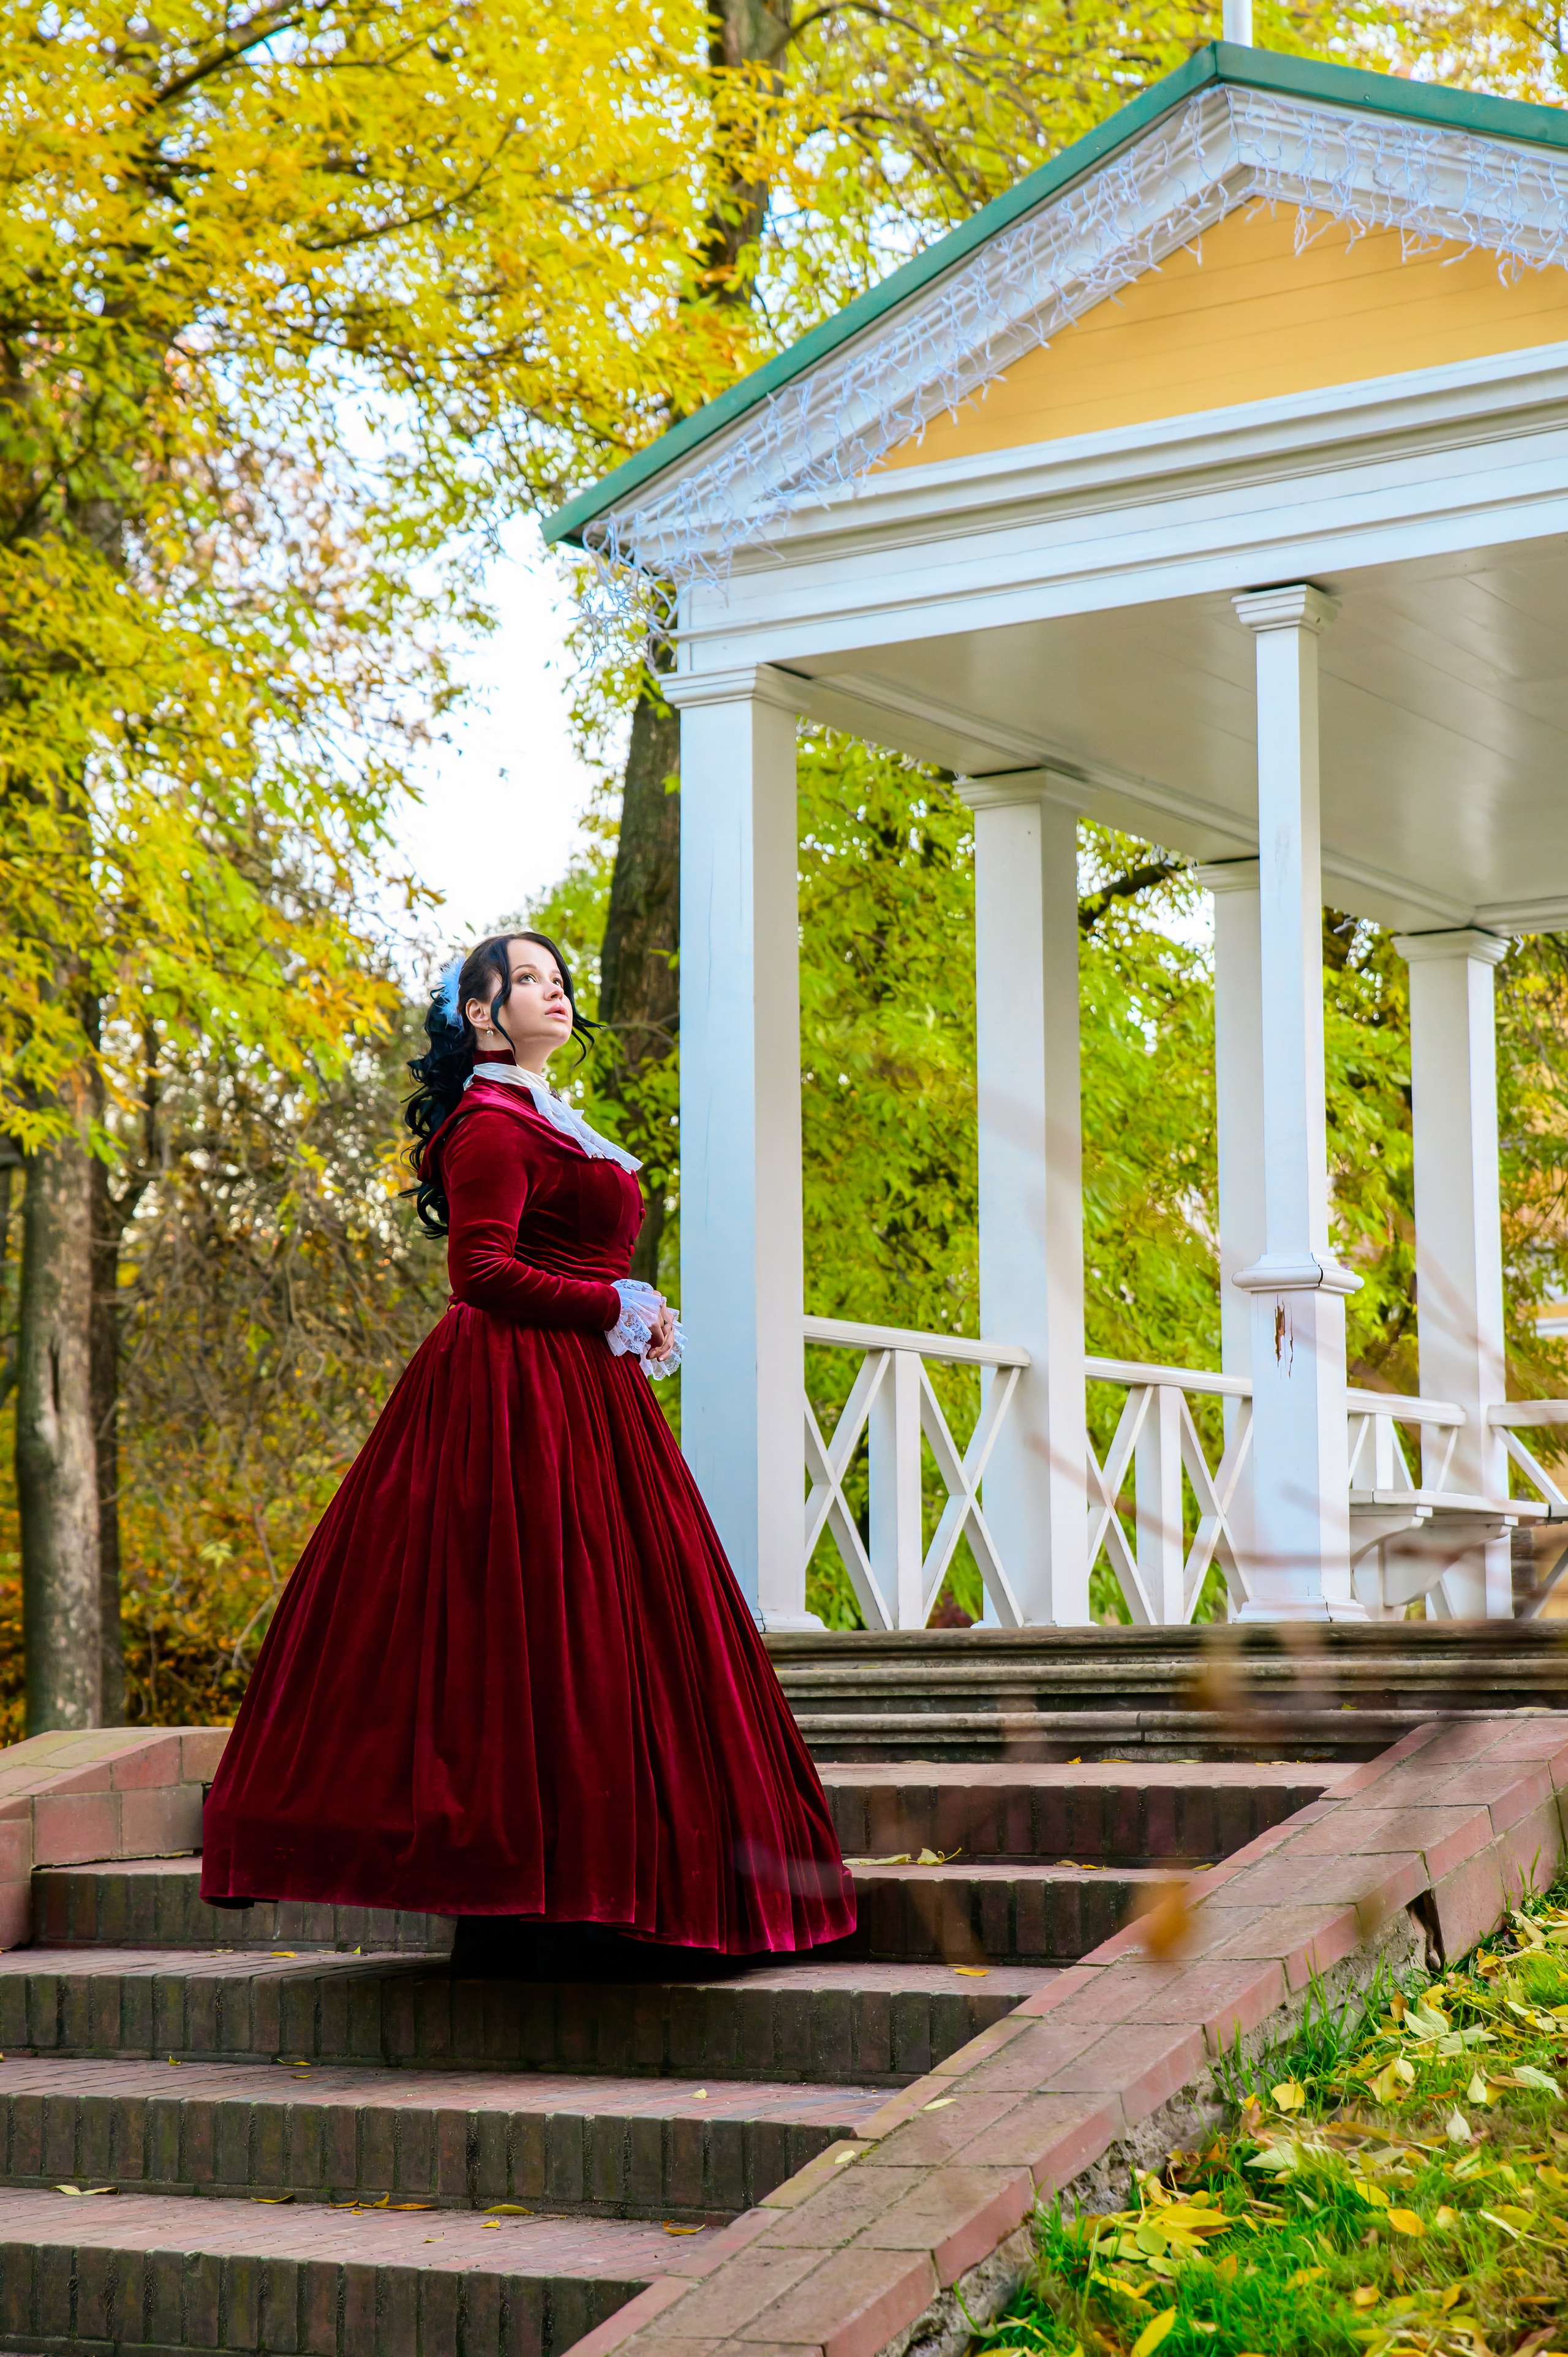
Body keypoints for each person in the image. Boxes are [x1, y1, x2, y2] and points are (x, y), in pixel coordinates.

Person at [200, 931, 856, 1970]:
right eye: (529, 980)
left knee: (599, 1631)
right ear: (480, 1012)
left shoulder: (546, 1118)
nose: (555, 992)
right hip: (511, 1400)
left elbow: (574, 1262)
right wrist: (611, 1304)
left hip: (583, 1397)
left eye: (560, 980)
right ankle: (535, 1897)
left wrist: (630, 1311)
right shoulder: (490, 1124)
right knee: (530, 1627)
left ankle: (605, 1888)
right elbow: (481, 1274)